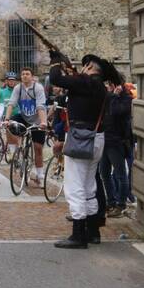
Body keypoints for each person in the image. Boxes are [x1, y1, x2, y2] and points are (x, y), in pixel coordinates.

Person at [49, 52, 120, 249]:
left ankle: (78, 235)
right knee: (89, 187)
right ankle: (92, 231)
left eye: (84, 67)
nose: (81, 69)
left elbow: (55, 78)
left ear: (89, 68)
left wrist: (55, 61)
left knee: (74, 187)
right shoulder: (97, 85)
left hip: (82, 138)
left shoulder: (86, 82)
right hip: (95, 138)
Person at [4, 67, 48, 185]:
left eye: (27, 74)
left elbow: (40, 106)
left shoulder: (38, 88)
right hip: (24, 118)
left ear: (32, 77)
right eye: (23, 74)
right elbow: (11, 103)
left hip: (37, 120)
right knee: (9, 125)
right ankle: (14, 153)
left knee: (38, 148)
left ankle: (40, 176)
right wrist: (7, 119)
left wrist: (43, 122)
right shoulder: (18, 88)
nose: (24, 76)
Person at [99, 80, 132, 218]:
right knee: (104, 173)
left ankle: (121, 204)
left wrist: (114, 96)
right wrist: (111, 95)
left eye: (112, 84)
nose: (109, 87)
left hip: (117, 141)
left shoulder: (126, 99)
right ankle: (111, 201)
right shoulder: (109, 96)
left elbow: (115, 112)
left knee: (120, 174)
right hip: (105, 140)